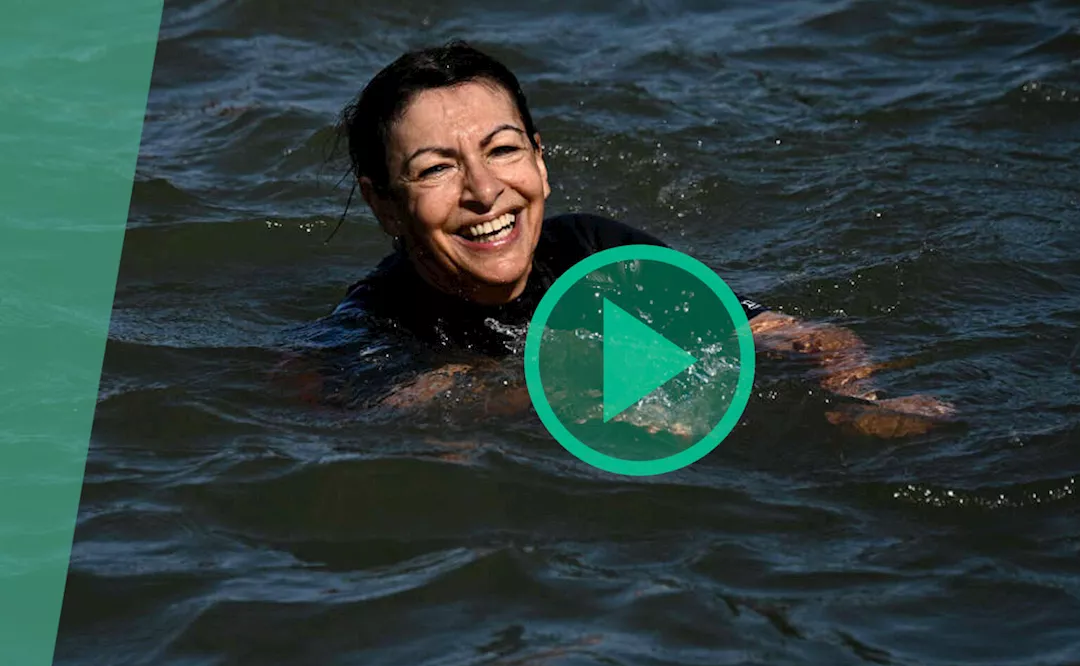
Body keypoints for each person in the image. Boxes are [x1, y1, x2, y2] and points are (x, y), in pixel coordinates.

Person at [301, 41, 954, 438]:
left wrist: (858, 399)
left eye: (503, 151)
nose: (484, 191)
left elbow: (779, 331)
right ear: (382, 203)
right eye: (437, 168)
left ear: (540, 162)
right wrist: (576, 390)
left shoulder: (594, 250)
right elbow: (394, 410)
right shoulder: (374, 326)